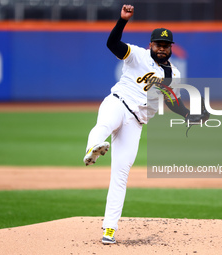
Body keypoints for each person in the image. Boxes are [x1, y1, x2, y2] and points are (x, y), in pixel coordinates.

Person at [83, 4, 207, 244]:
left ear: (170, 48)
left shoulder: (173, 73)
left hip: (136, 123)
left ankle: (109, 229)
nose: (162, 48)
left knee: (120, 175)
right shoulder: (137, 54)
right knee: (105, 124)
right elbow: (112, 44)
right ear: (151, 44)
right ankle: (93, 148)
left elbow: (171, 99)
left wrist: (187, 115)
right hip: (118, 102)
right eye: (158, 44)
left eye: (166, 45)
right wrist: (122, 21)